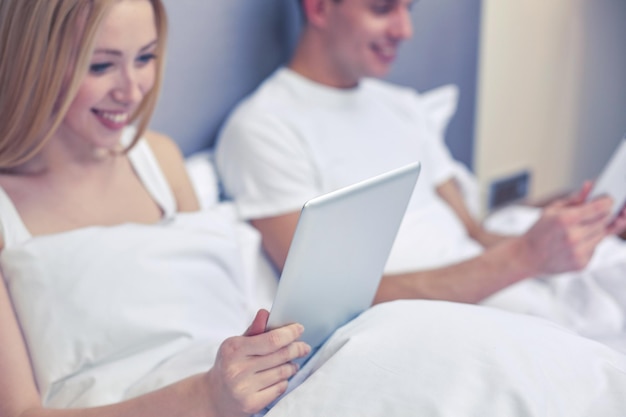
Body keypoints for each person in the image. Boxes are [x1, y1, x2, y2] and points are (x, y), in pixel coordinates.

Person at [3, 1, 626, 417]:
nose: (133, 91)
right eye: (101, 66)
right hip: (196, 398)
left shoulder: (159, 161)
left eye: (145, 59)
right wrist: (208, 393)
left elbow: (218, 304)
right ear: (37, 62)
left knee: (489, 360)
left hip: (258, 377)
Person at [215, 0, 626, 342]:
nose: (405, 29)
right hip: (431, 324)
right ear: (320, 8)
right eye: (382, 9)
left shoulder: (403, 106)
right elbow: (320, 305)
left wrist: (569, 228)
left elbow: (475, 232)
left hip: (506, 291)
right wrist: (526, 257)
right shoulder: (264, 126)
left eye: (408, 8)